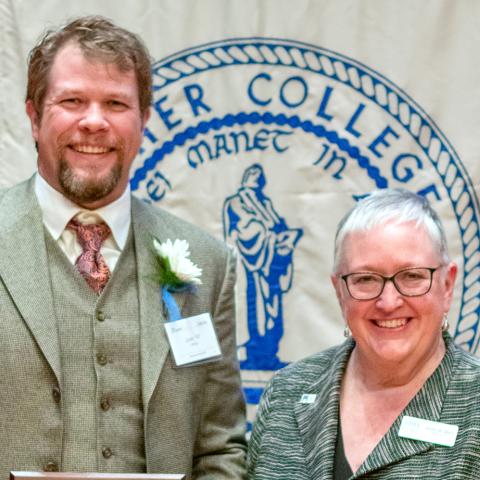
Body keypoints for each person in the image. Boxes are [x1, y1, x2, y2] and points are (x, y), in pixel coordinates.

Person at [0, 16, 247, 478]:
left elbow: (220, 448)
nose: (94, 122)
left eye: (115, 103)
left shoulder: (206, 264)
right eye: (72, 101)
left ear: (143, 119)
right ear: (33, 117)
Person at [248, 189, 480, 478]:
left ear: (447, 285)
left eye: (412, 276)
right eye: (366, 279)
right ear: (339, 291)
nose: (388, 302)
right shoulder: (287, 391)